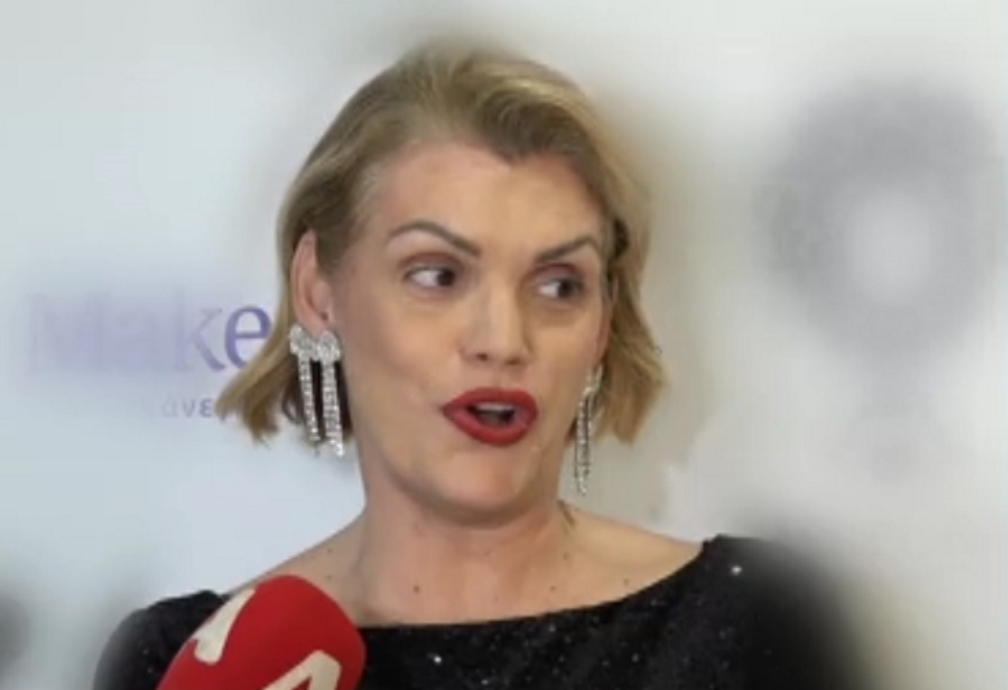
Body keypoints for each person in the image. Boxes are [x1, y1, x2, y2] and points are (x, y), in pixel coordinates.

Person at [94, 36, 870, 690]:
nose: (503, 338)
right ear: (318, 291)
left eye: (559, 285)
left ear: (603, 326)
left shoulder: (752, 625)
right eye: (438, 275)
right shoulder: (172, 658)